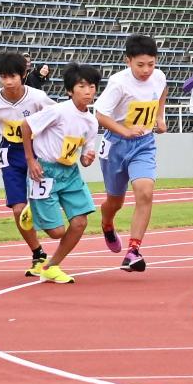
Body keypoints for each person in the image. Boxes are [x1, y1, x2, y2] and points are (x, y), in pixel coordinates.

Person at [19, 64, 104, 284]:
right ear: (69, 90)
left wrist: (87, 158)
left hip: (70, 173)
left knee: (80, 223)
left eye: (92, 86)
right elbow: (25, 126)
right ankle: (33, 211)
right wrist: (31, 160)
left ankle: (51, 266)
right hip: (44, 172)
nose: (88, 91)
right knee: (57, 232)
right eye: (82, 86)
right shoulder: (58, 111)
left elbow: (86, 153)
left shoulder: (92, 122)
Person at [95, 34, 168, 272]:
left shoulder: (158, 77)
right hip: (116, 145)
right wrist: (124, 131)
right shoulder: (119, 83)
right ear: (128, 61)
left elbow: (162, 93)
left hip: (144, 143)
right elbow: (101, 114)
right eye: (140, 65)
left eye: (151, 64)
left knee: (145, 192)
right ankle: (107, 223)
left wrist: (159, 117)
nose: (146, 70)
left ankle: (133, 250)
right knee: (115, 202)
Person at [0, 50, 54, 278]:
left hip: (37, 151)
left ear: (23, 74)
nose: (8, 82)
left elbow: (56, 118)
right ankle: (37, 253)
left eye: (12, 76)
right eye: (3, 77)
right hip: (10, 152)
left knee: (43, 205)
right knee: (18, 209)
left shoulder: (37, 97)